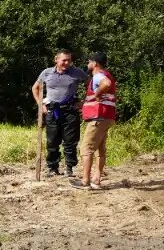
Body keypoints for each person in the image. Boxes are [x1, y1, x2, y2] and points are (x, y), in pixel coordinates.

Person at [31, 49, 88, 177]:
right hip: (52, 110)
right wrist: (41, 105)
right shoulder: (47, 73)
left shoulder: (77, 72)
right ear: (56, 60)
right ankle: (53, 168)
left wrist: (83, 102)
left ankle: (69, 168)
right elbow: (35, 88)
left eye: (69, 60)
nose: (67, 63)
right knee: (52, 141)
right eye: (64, 60)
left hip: (70, 111)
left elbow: (90, 85)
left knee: (70, 141)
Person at [78, 51, 117, 190]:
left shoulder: (98, 76)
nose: (88, 64)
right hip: (107, 117)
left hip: (98, 117)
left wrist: (97, 93)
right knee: (100, 149)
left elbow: (105, 84)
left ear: (94, 63)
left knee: (86, 148)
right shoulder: (107, 74)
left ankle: (85, 181)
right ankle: (96, 179)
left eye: (89, 62)